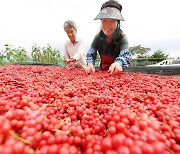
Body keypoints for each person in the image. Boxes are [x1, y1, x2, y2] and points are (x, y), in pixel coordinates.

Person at [86, 0, 132, 74]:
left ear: (118, 22)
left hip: (117, 74)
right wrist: (90, 64)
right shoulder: (98, 37)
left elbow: (126, 55)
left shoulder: (122, 37)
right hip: (102, 73)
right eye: (104, 21)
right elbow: (91, 53)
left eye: (112, 21)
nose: (107, 25)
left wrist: (119, 63)